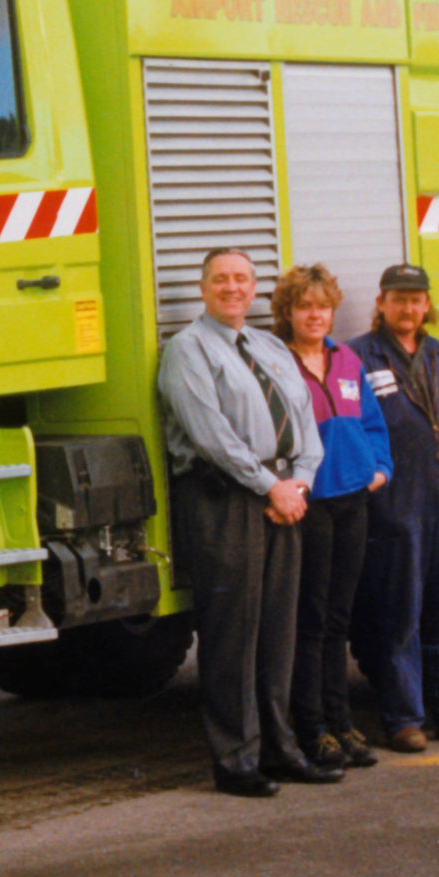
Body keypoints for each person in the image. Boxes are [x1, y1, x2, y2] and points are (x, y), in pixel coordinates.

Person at [158, 247, 335, 798]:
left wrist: (299, 482)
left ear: (254, 288)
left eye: (241, 278)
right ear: (203, 288)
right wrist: (269, 486)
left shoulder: (269, 346)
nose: (232, 288)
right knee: (234, 633)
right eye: (220, 279)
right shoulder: (187, 349)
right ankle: (236, 760)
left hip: (283, 495)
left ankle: (281, 750)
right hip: (227, 499)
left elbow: (305, 421)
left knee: (278, 632)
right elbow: (210, 434)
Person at [348, 264, 439, 751]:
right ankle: (404, 718)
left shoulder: (437, 352)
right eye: (398, 299)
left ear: (426, 305)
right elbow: (353, 431)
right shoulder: (358, 356)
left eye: (416, 299)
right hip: (396, 505)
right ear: (381, 303)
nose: (408, 308)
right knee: (399, 613)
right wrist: (376, 491)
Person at [271, 264, 393, 771]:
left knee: (339, 618)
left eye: (322, 306)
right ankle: (313, 728)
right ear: (287, 313)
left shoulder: (346, 360)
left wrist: (378, 470)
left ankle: (341, 723)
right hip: (312, 504)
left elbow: (372, 423)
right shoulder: (277, 365)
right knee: (312, 618)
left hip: (352, 499)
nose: (314, 315)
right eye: (304, 307)